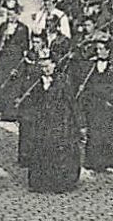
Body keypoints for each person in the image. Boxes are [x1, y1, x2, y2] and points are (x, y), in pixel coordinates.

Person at [19, 56, 80, 193]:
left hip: (59, 120)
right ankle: (41, 183)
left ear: (54, 64)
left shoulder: (63, 80)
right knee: (41, 150)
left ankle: (59, 183)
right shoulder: (36, 82)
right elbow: (31, 100)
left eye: (48, 66)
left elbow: (71, 102)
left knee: (58, 152)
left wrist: (76, 123)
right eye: (42, 67)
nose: (46, 69)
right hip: (42, 121)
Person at [75, 35, 113, 172]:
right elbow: (87, 84)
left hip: (108, 104)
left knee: (107, 133)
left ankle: (107, 161)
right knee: (94, 133)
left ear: (108, 51)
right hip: (94, 104)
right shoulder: (91, 65)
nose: (98, 52)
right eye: (97, 49)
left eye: (101, 49)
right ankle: (92, 161)